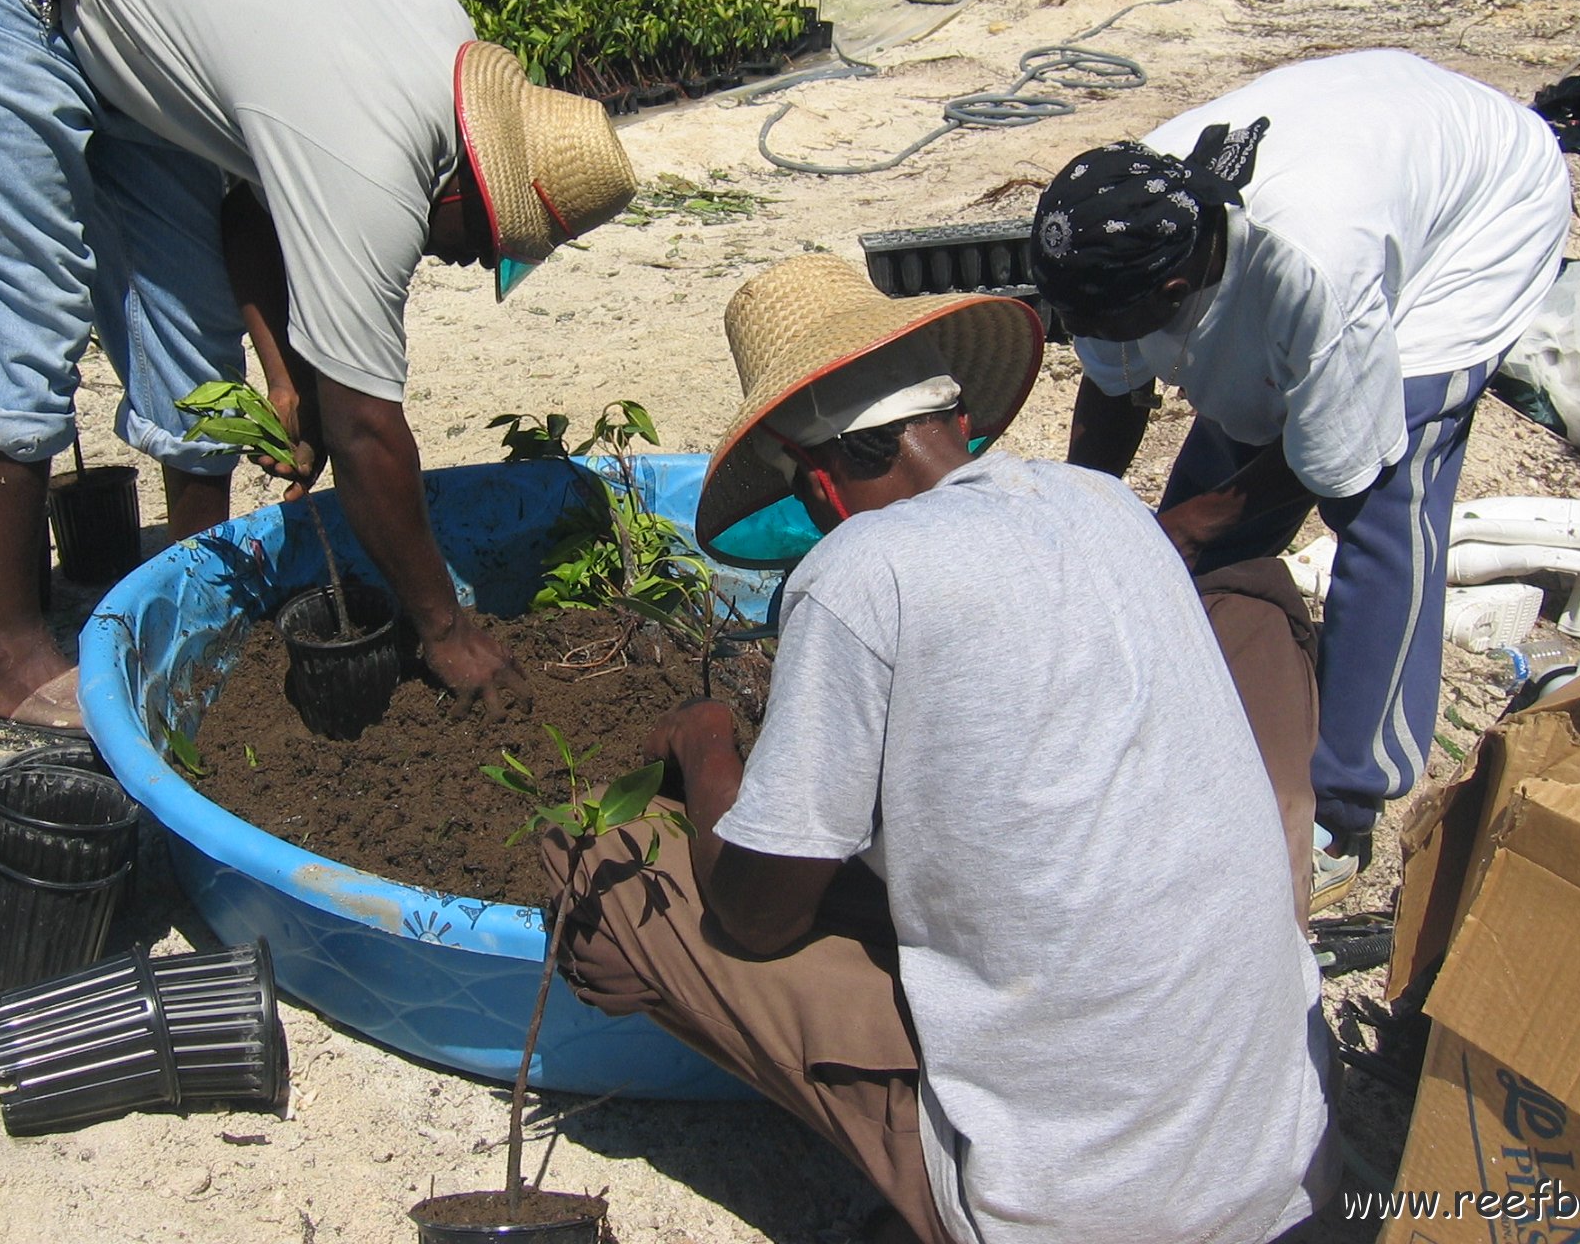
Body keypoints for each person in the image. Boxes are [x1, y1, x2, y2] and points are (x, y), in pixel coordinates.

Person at [545, 255, 1333, 1244]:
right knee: (1247, 598)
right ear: (957, 422)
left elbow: (752, 918)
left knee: (601, 854)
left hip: (1078, 1212)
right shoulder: (1106, 509)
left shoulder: (856, 571)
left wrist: (707, 753)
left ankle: (928, 1165)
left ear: (817, 479)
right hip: (1288, 1158)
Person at [0, 0, 635, 744]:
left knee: (190, 336)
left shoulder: (436, 40)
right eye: (488, 242)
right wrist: (445, 628)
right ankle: (10, 657)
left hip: (113, 40)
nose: (475, 265)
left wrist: (286, 382)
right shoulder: (374, 156)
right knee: (25, 318)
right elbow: (367, 432)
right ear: (465, 185)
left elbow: (245, 206)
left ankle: (203, 609)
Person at [1028, 48, 1572, 872]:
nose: (1091, 333)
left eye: (1105, 322)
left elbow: (1341, 456)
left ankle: (1349, 798)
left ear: (1173, 294)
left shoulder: (1311, 266)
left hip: (1482, 211)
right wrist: (1088, 524)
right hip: (1377, 135)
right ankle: (1185, 692)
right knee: (1229, 455)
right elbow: (1113, 393)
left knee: (1388, 491)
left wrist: (1193, 524)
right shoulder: (1119, 222)